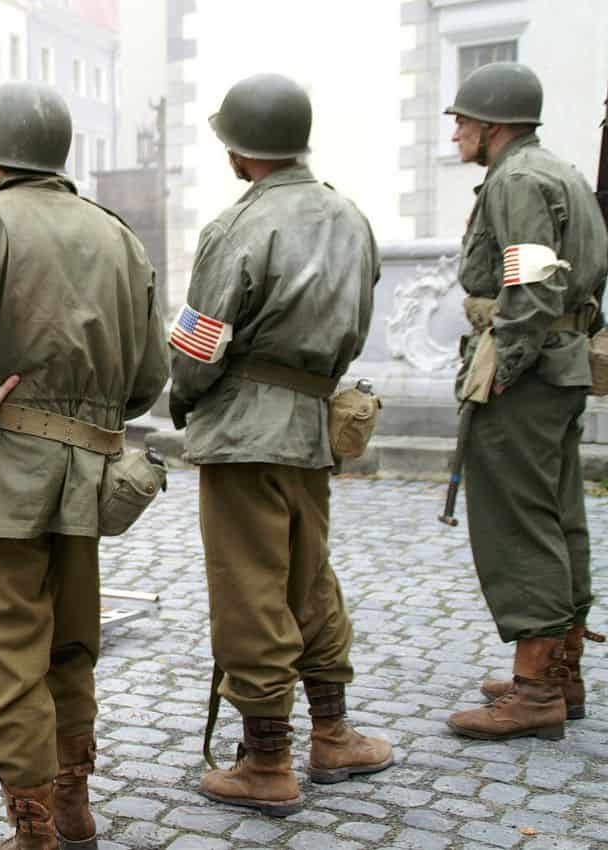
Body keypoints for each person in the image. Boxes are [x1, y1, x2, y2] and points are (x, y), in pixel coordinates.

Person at [0, 81, 168, 850]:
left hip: (2, 484)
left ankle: (37, 830)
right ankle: (74, 803)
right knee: (70, 640)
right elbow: (150, 375)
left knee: (5, 646)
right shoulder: (118, 236)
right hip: (89, 479)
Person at [168, 74, 391, 817]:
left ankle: (267, 762)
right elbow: (356, 326)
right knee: (310, 579)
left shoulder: (237, 227)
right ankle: (332, 733)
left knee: (250, 588)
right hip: (312, 428)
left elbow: (199, 344)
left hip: (244, 434)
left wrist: (183, 394)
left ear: (240, 149)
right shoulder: (351, 218)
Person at [441, 63, 608, 741]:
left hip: (528, 373)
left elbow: (531, 287)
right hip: (561, 367)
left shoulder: (516, 180)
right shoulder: (558, 171)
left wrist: (503, 367)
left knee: (518, 524)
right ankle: (561, 671)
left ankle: (535, 688)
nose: (455, 133)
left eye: (461, 122)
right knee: (559, 513)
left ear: (491, 125)